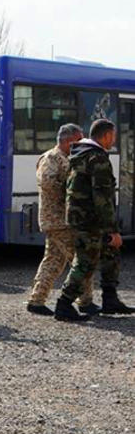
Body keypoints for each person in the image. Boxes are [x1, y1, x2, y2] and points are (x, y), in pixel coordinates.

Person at [55, 119, 135, 321]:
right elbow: (102, 198)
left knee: (110, 254)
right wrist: (112, 230)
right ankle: (64, 303)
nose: (114, 140)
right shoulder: (97, 158)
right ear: (106, 135)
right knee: (85, 261)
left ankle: (110, 299)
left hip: (82, 217)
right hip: (90, 220)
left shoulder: (79, 154)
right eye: (113, 136)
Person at [26, 124, 98, 315]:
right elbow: (48, 183)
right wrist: (73, 191)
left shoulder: (68, 158)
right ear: (69, 141)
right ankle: (85, 301)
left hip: (64, 220)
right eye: (79, 140)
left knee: (53, 261)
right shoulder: (51, 158)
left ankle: (36, 300)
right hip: (58, 220)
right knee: (81, 259)